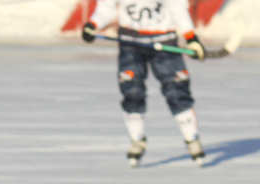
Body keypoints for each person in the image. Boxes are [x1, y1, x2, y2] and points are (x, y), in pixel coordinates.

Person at [81, 0, 207, 167]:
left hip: (164, 41)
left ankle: (192, 139)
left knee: (177, 91)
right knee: (132, 90)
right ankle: (137, 140)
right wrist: (93, 24)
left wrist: (191, 38)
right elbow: (107, 7)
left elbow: (178, 9)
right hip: (131, 43)